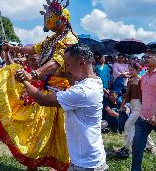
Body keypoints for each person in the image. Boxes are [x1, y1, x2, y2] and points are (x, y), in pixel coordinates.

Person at [0, 0, 78, 170]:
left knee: (61, 141)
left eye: (50, 15)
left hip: (61, 98)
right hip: (45, 91)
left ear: (62, 19)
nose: (47, 18)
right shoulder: (52, 38)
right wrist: (13, 48)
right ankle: (31, 165)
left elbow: (57, 62)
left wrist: (33, 74)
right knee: (34, 134)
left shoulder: (69, 39)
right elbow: (33, 48)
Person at [15, 43, 108, 171]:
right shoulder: (95, 81)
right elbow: (74, 84)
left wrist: (24, 80)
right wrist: (67, 75)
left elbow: (42, 99)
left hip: (87, 164)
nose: (66, 68)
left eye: (68, 64)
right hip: (88, 158)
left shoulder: (83, 91)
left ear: (81, 62)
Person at [116, 62, 154, 158]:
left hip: (140, 106)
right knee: (141, 127)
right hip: (133, 105)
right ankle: (149, 145)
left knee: (129, 125)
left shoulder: (142, 80)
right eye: (129, 70)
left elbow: (146, 95)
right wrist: (122, 105)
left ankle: (127, 147)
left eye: (132, 70)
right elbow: (127, 95)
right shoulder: (130, 81)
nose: (130, 71)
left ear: (138, 70)